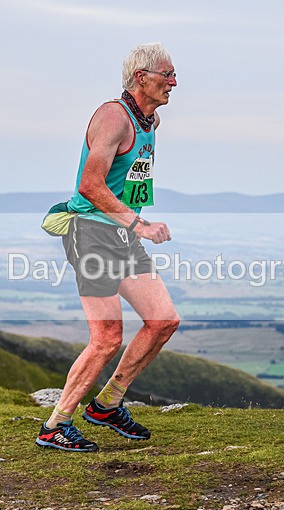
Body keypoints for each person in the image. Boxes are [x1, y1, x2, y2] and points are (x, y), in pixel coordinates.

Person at [36, 42, 180, 452]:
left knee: (163, 321)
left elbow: (127, 180)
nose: (173, 83)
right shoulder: (112, 118)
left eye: (174, 76)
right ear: (141, 78)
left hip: (122, 236)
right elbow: (89, 185)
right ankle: (55, 424)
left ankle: (106, 404)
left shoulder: (150, 121)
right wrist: (139, 223)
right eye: (166, 75)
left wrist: (133, 227)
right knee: (106, 337)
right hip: (92, 234)